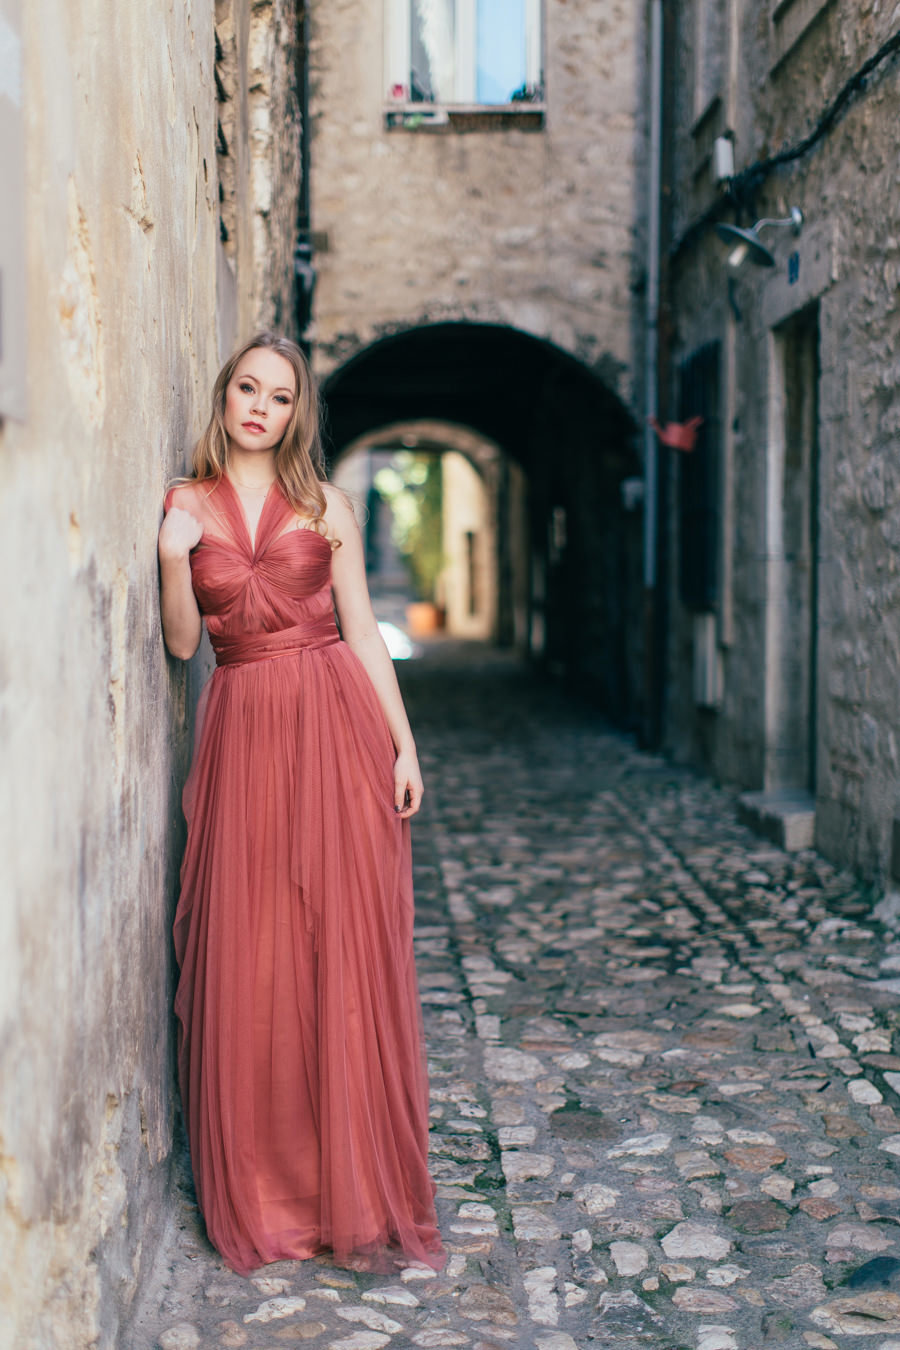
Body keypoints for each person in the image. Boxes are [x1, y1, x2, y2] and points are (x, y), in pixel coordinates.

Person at [158, 332, 444, 1277]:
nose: (260, 408)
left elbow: (363, 632)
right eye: (248, 388)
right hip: (242, 730)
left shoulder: (325, 505)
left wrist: (402, 746)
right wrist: (171, 556)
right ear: (226, 395)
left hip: (333, 728)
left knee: (336, 950)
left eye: (279, 398)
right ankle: (270, 1188)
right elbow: (180, 642)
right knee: (256, 953)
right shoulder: (187, 504)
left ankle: (345, 1186)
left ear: (296, 416)